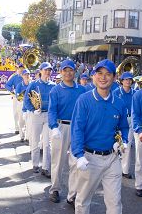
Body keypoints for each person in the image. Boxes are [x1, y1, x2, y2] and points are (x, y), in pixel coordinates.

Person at [71, 59, 129, 214]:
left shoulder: (119, 103)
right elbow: (77, 128)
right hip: (89, 159)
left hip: (112, 159)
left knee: (115, 203)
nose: (103, 77)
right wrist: (79, 155)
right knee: (83, 201)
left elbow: (123, 127)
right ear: (94, 77)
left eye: (108, 74)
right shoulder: (84, 100)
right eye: (100, 73)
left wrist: (123, 141)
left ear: (114, 78)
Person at [48, 60, 86, 205]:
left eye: (71, 70)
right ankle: (55, 189)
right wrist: (53, 127)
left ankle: (73, 194)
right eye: (65, 70)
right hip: (61, 127)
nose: (68, 73)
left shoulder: (82, 90)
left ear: (75, 71)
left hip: (77, 128)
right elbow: (52, 110)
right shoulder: (56, 90)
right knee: (57, 160)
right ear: (61, 72)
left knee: (76, 162)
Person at [24, 62, 55, 177]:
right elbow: (26, 100)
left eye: (49, 70)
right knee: (35, 140)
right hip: (36, 115)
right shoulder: (33, 85)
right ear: (40, 71)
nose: (48, 72)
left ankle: (46, 167)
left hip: (48, 116)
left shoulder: (53, 86)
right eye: (46, 70)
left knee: (47, 143)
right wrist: (32, 110)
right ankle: (35, 164)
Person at [113, 72, 135, 179]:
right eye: (126, 79)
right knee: (117, 144)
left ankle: (125, 170)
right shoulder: (116, 92)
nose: (128, 81)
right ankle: (114, 168)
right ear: (122, 81)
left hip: (131, 119)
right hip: (118, 119)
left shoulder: (134, 93)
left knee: (127, 144)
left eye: (130, 79)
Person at [132, 81, 142, 197]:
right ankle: (139, 186)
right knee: (141, 159)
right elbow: (134, 115)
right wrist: (139, 130)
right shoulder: (138, 95)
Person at [5, 64, 24, 134]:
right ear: (17, 69)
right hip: (16, 97)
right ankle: (17, 128)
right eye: (20, 69)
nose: (21, 70)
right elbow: (6, 85)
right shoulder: (14, 77)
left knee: (23, 113)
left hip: (25, 97)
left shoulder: (27, 76)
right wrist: (12, 90)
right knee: (16, 112)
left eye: (22, 69)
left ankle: (22, 128)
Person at [15, 69, 31, 142]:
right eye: (25, 75)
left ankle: (27, 137)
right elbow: (18, 97)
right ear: (22, 76)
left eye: (28, 74)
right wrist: (25, 94)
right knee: (21, 121)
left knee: (29, 122)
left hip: (30, 105)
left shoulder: (32, 84)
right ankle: (22, 135)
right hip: (21, 104)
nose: (27, 76)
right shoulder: (19, 85)